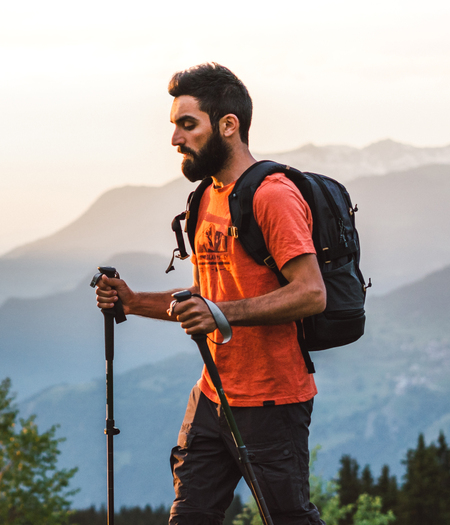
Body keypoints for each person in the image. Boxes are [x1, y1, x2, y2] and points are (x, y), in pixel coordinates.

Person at [94, 63, 327, 525]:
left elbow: (311, 293)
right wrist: (133, 301)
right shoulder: (207, 198)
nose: (176, 140)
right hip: (212, 397)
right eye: (175, 126)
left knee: (288, 519)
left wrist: (219, 311)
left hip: (272, 402)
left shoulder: (271, 196)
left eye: (187, 124)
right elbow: (205, 296)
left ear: (227, 125)